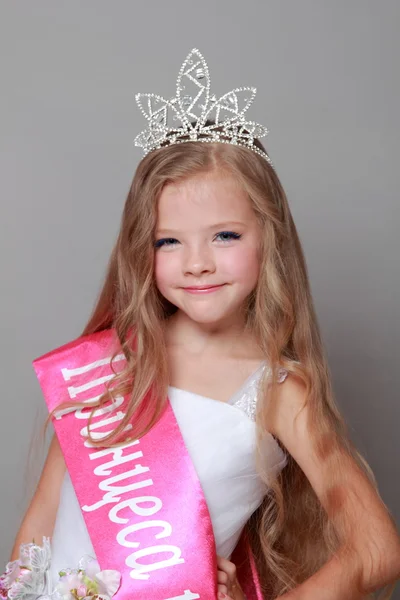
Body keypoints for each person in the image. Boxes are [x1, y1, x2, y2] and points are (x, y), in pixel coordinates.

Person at [4, 48, 400, 600]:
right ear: (142, 249)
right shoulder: (112, 358)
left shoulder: (280, 392)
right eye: (169, 241)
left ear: (269, 240)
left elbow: (376, 550)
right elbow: (40, 527)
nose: (197, 262)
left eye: (225, 235)